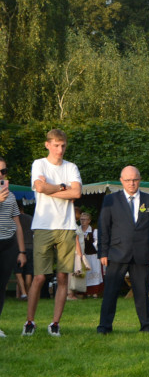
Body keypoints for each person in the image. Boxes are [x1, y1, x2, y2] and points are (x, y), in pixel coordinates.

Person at [24, 129, 83, 337]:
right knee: (39, 277)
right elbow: (39, 188)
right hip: (43, 225)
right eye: (56, 145)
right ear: (47, 144)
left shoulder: (71, 167)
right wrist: (61, 187)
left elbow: (77, 192)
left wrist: (52, 188)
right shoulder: (39, 164)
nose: (60, 149)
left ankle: (55, 323)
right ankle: (30, 322)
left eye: (63, 145)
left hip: (66, 227)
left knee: (62, 277)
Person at [97, 166, 149, 333]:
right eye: (128, 180)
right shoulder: (110, 200)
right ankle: (104, 327)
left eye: (134, 179)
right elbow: (103, 227)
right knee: (110, 293)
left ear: (139, 180)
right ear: (121, 181)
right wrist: (103, 252)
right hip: (117, 253)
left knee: (142, 293)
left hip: (142, 253)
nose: (131, 183)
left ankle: (147, 326)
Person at [0, 158, 28, 337]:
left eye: (3, 171)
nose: (1, 174)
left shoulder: (10, 195)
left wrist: (22, 251)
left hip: (8, 244)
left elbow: (17, 223)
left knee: (1, 286)